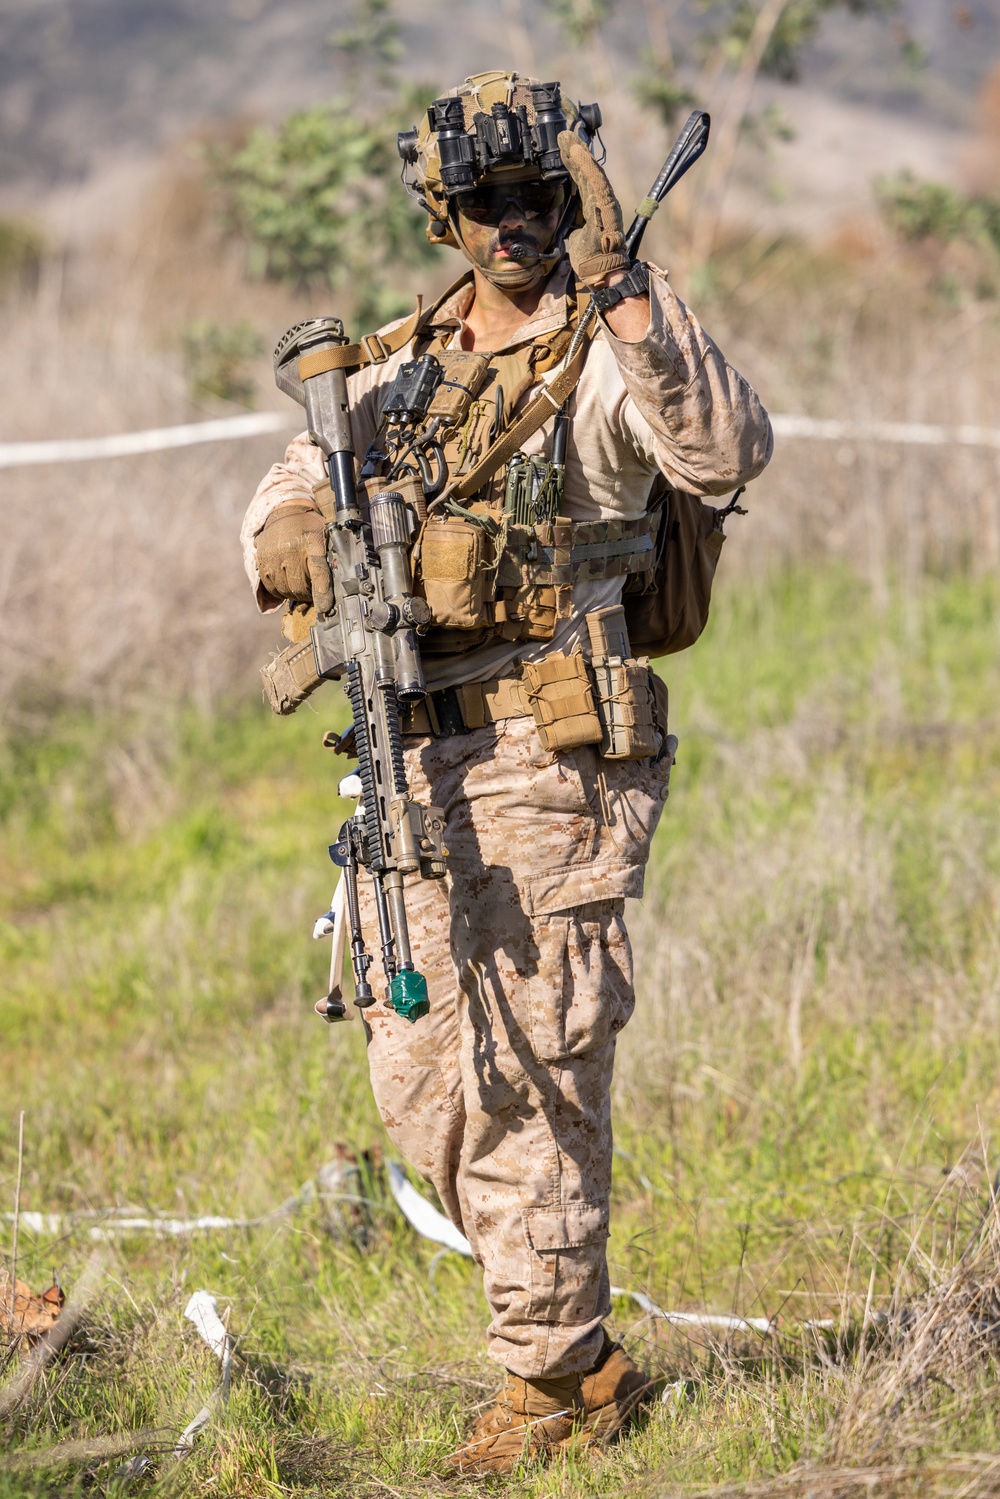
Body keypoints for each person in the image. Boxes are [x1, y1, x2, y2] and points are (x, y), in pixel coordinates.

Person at [242, 71, 772, 1475]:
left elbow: (724, 451)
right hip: (411, 759)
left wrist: (630, 284)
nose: (512, 227)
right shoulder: (406, 358)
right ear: (445, 213)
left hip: (554, 746)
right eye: (483, 204)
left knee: (529, 1061)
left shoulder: (604, 345)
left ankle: (549, 1376)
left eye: (537, 198)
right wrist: (290, 528)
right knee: (420, 1078)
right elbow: (299, 471)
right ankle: (579, 1351)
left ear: (570, 199)